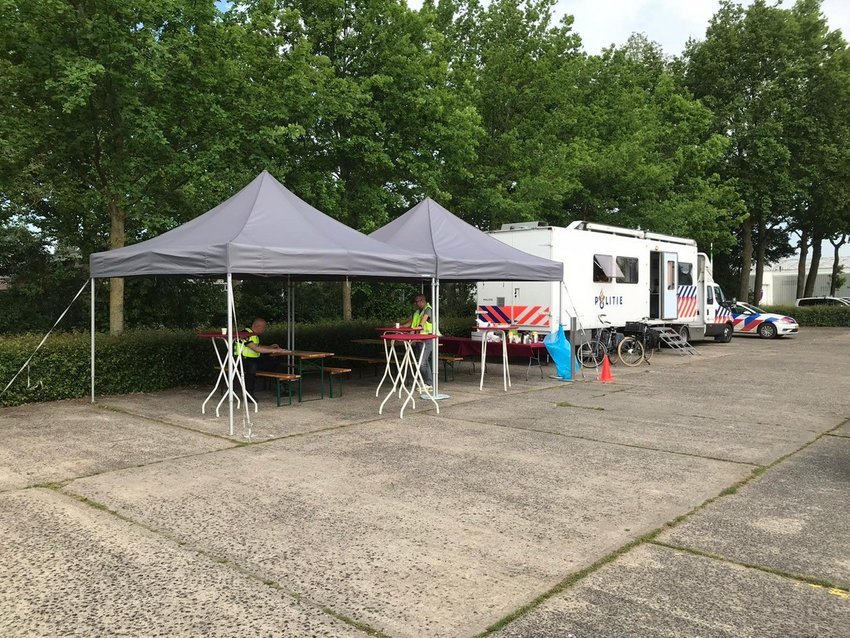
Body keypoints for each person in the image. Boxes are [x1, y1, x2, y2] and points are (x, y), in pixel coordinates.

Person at [233, 318, 285, 398]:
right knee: (252, 366)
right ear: (257, 326)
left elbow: (257, 346)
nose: (264, 329)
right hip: (241, 360)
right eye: (263, 327)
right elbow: (256, 348)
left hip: (253, 359)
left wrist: (269, 347)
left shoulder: (254, 335)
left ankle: (282, 389)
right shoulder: (244, 333)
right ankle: (249, 393)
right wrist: (273, 351)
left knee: (274, 363)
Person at [400, 293, 435, 391]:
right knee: (419, 361)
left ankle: (429, 383)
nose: (416, 303)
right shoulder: (417, 312)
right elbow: (411, 323)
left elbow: (423, 322)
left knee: (422, 362)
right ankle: (425, 381)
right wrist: (402, 327)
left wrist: (420, 326)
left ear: (423, 301)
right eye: (415, 301)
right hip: (419, 339)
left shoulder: (428, 309)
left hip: (427, 338)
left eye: (417, 301)